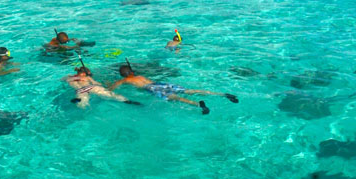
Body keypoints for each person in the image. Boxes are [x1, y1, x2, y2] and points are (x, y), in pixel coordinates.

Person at [109, 61, 239, 114]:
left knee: (173, 97)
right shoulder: (140, 76)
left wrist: (109, 85)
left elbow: (111, 89)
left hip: (151, 88)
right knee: (188, 90)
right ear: (132, 71)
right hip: (159, 83)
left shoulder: (124, 80)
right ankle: (222, 94)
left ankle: (197, 104)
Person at [65, 63, 140, 108]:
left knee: (82, 105)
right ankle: (127, 101)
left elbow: (63, 79)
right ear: (85, 73)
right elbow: (97, 84)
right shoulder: (86, 77)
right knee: (112, 95)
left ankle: (79, 101)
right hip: (91, 87)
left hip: (80, 90)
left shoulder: (69, 77)